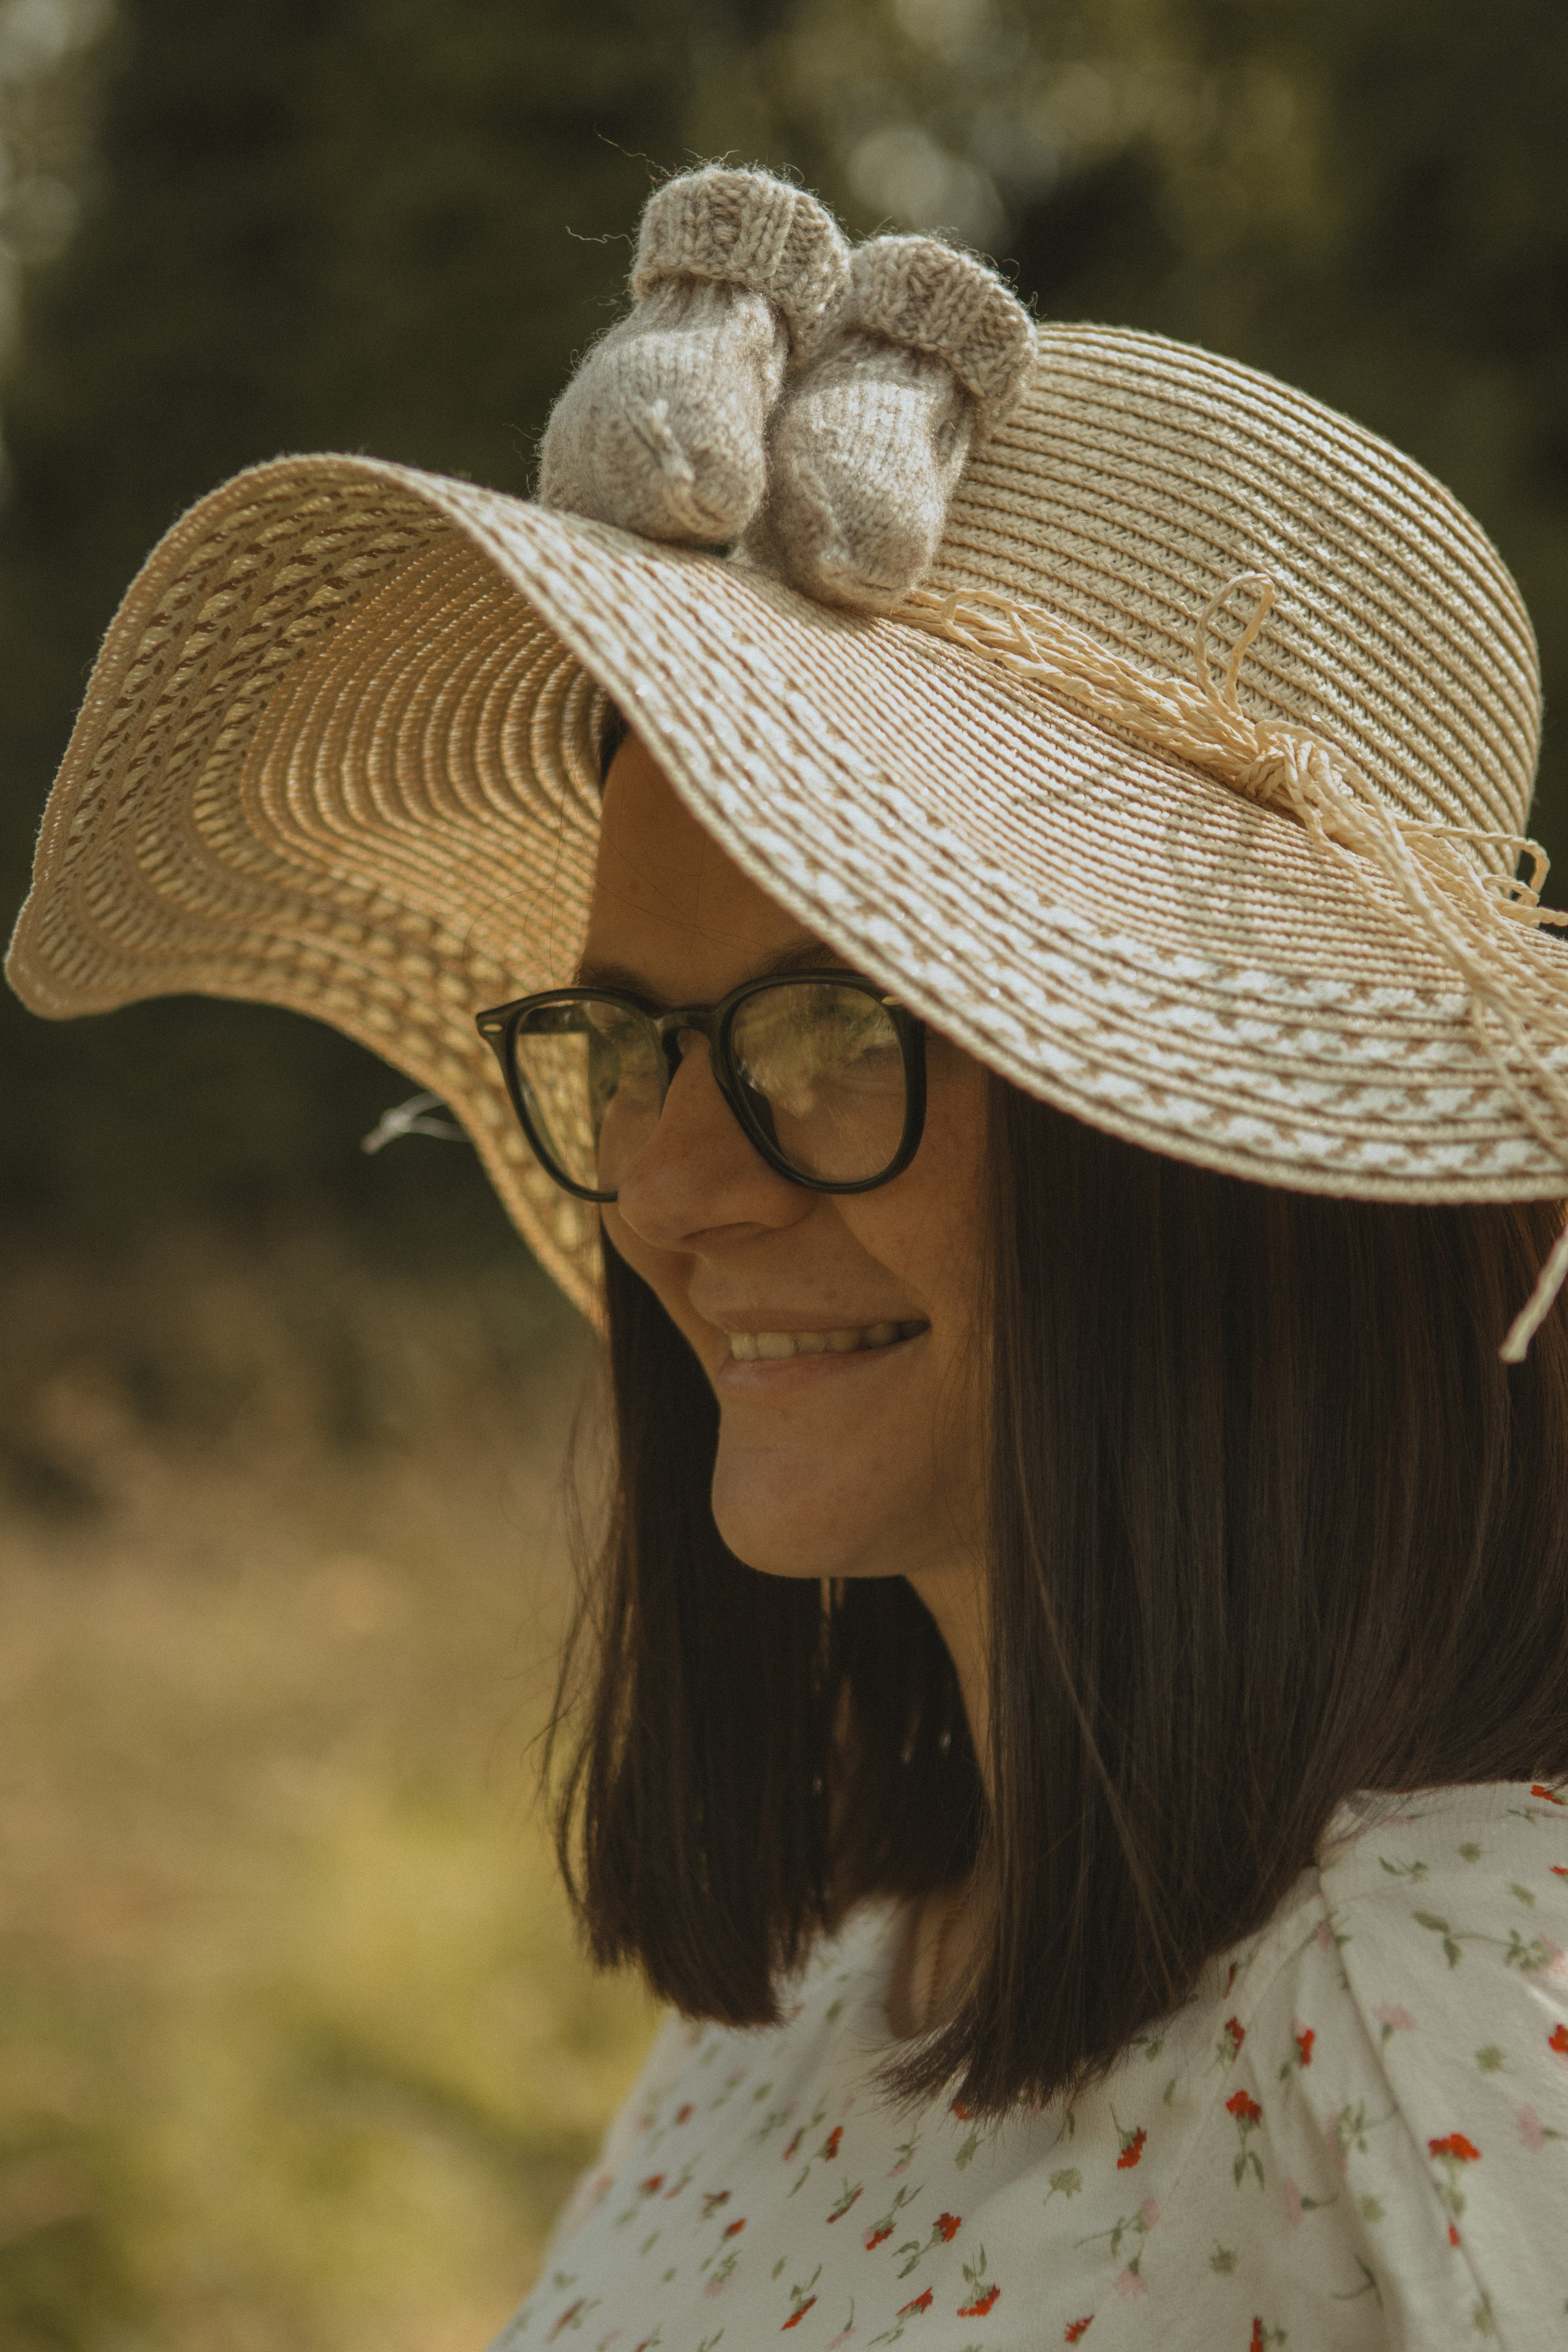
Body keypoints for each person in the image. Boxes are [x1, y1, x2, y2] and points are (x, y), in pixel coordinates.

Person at [9, 164, 1568, 2348]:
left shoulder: (1458, 2001)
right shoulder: (832, 1991)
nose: (664, 1186)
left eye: (835, 1028)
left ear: (1220, 1172)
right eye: (630, 1040)